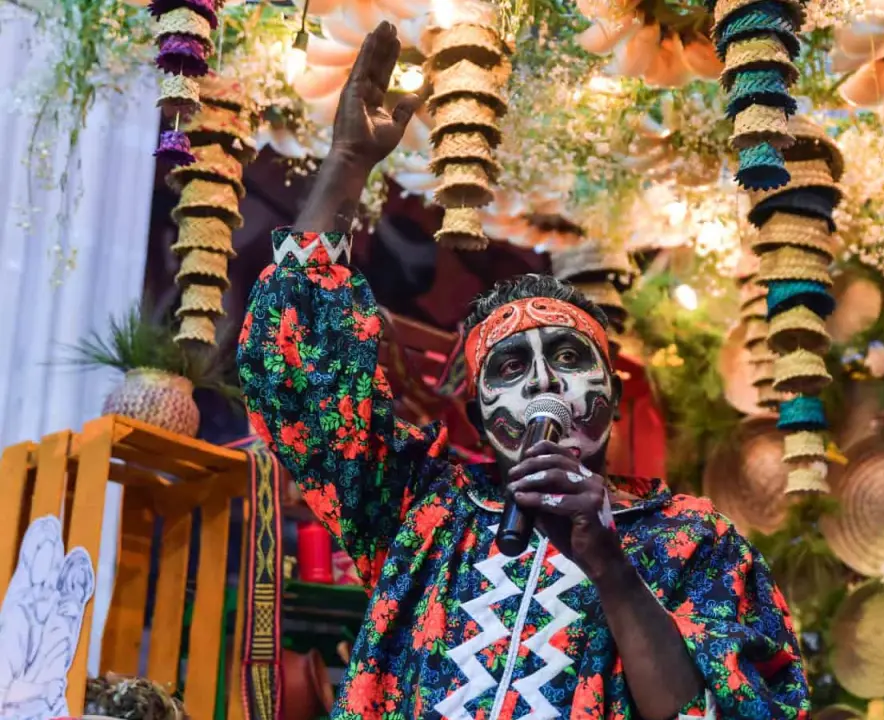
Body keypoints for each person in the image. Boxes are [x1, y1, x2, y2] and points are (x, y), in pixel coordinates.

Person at [237, 21, 810, 720]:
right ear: (478, 417)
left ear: (616, 398)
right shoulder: (422, 508)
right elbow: (294, 382)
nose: (542, 382)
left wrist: (611, 569)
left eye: (569, 358)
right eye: (510, 366)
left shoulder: (693, 540)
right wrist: (347, 164)